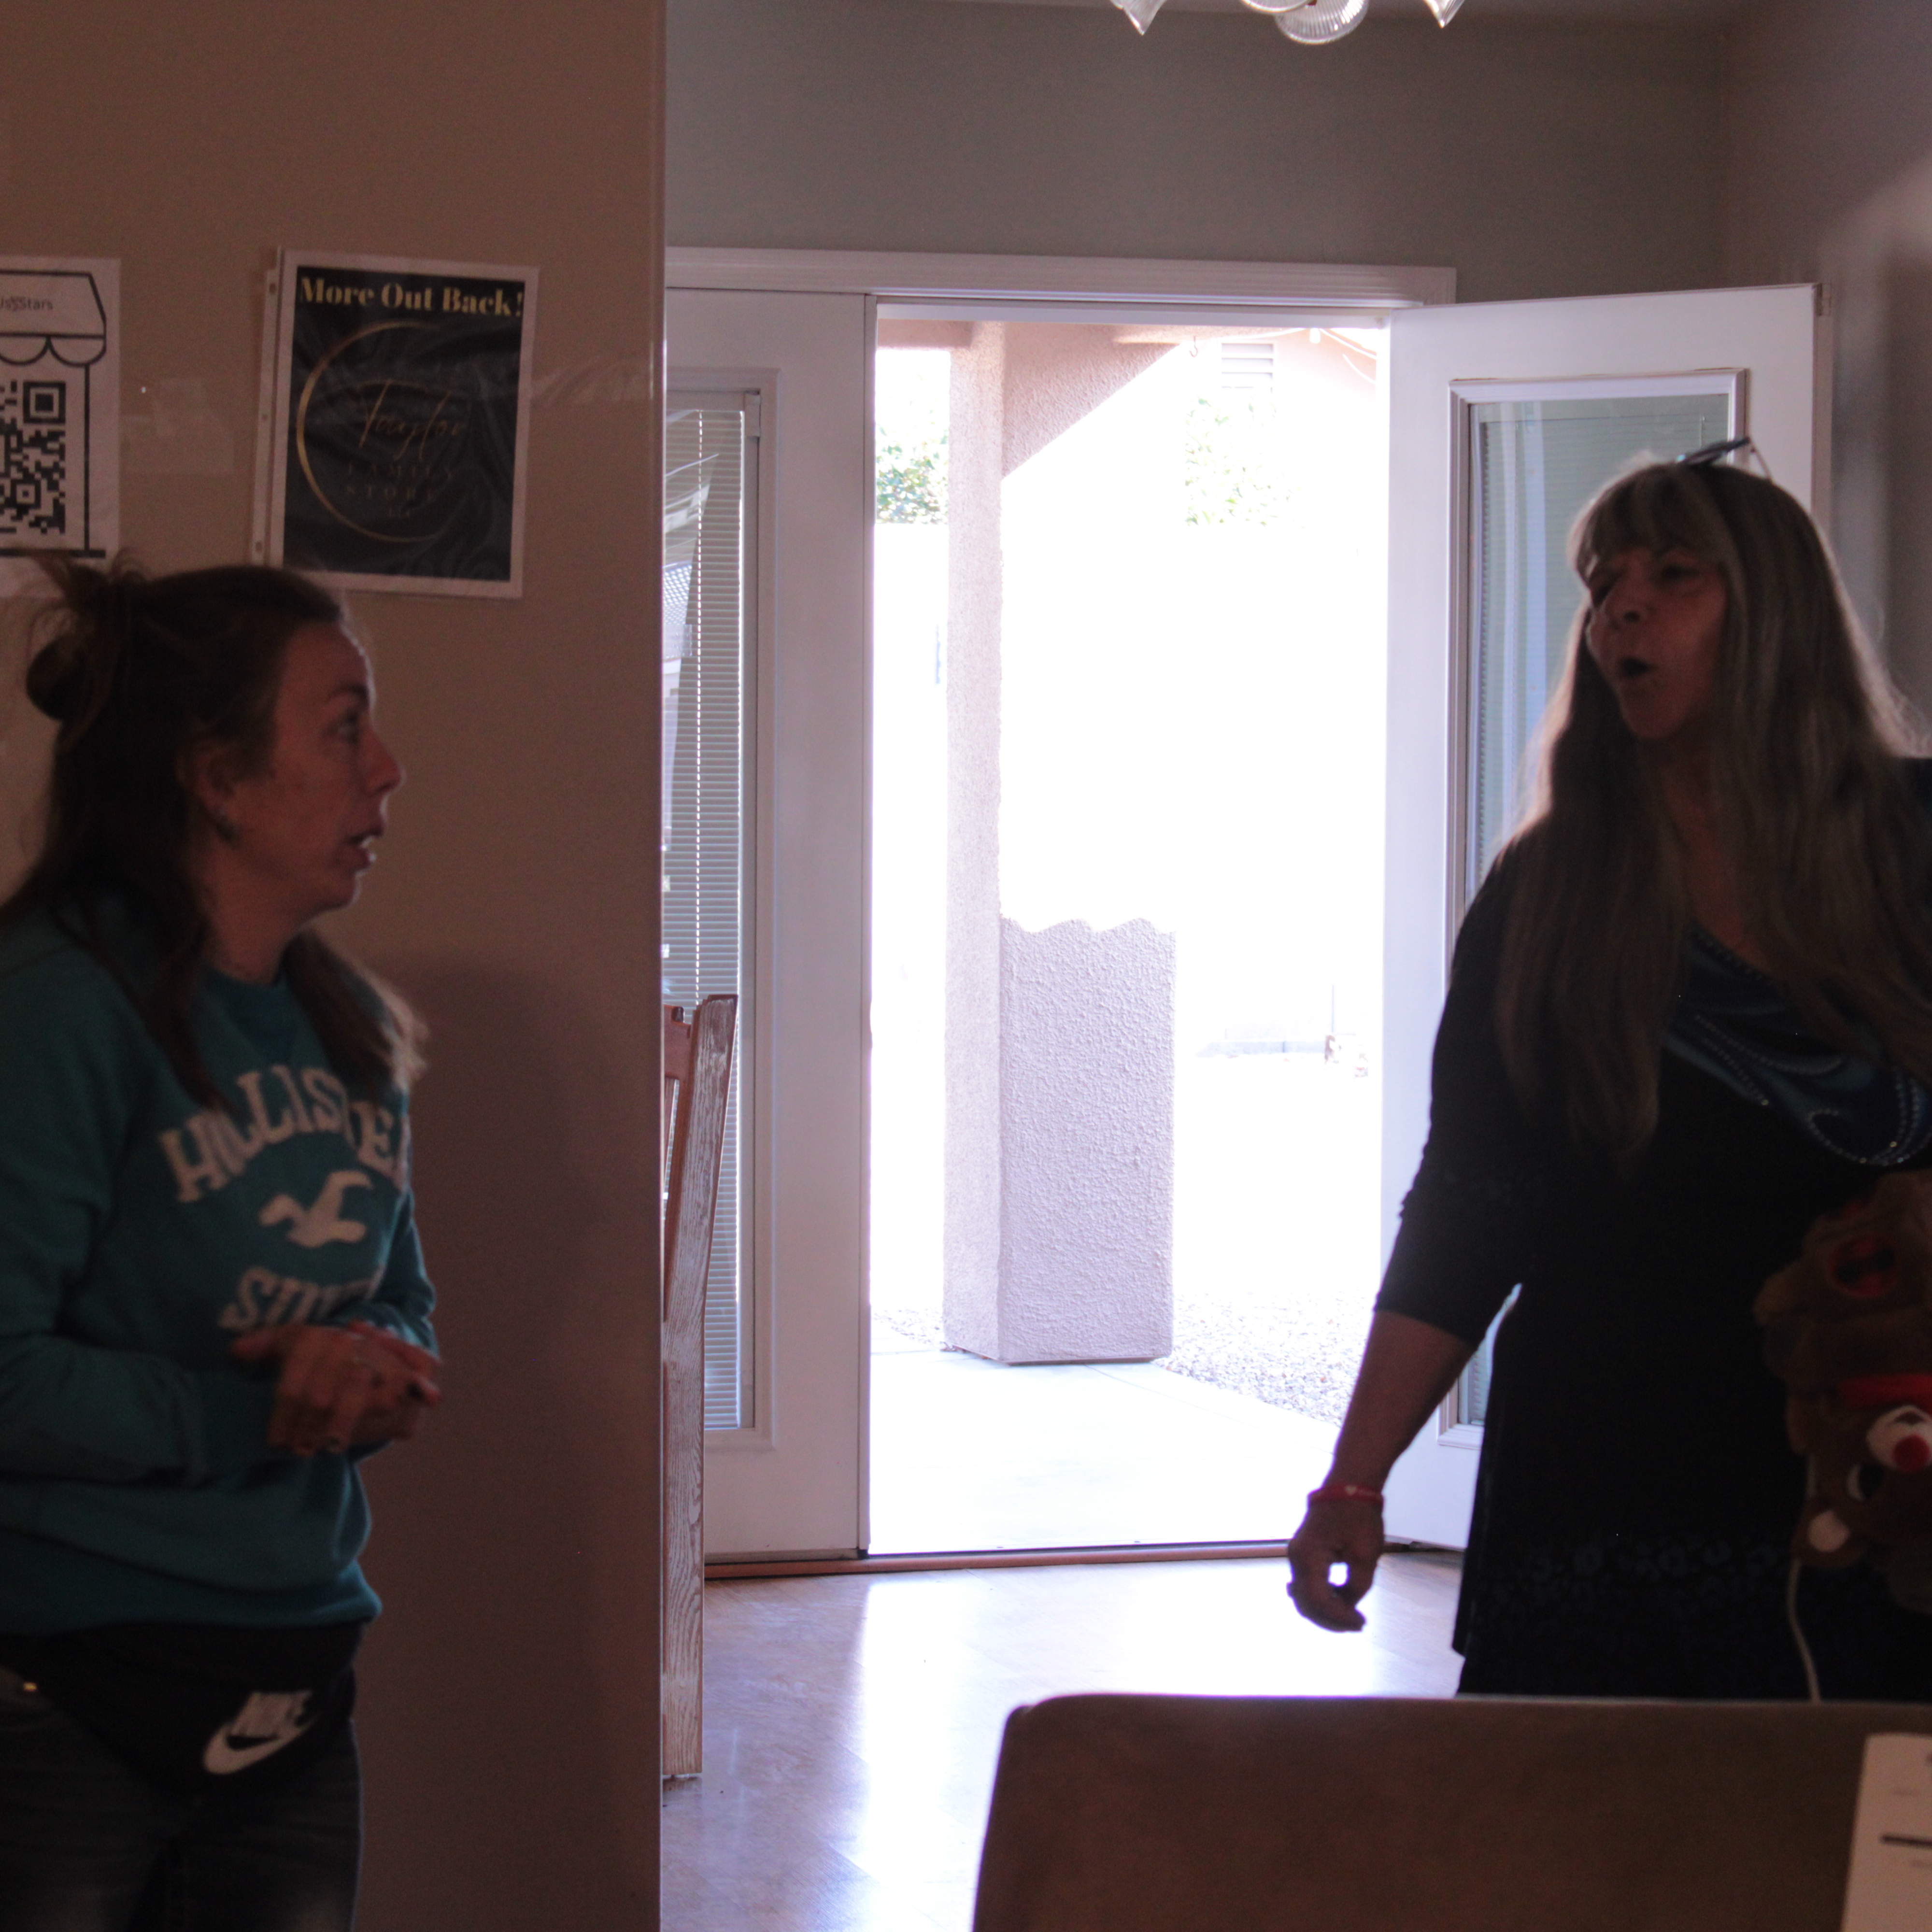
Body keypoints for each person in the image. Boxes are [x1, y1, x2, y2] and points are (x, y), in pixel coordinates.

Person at [1287, 452, 1932, 1699]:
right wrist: (1355, 1480)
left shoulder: (1919, 847)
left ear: (1776, 617)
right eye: (1603, 584)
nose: (1620, 610)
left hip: (1878, 1457)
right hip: (1605, 1468)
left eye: (1675, 577)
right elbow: (1472, 1202)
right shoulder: (1549, 892)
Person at [0, 557, 441, 1928]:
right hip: (66, 1699)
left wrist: (378, 1369)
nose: (386, 770)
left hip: (298, 1686)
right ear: (218, 779)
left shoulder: (352, 1027)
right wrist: (263, 1410)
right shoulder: (57, 1009)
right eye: (341, 726)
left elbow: (408, 1305)